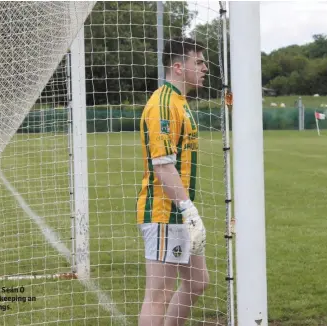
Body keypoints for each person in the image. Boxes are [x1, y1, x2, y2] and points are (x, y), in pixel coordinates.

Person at [137, 37, 209, 326]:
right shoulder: (164, 104)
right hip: (164, 212)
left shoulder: (180, 102)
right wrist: (188, 210)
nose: (205, 68)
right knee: (159, 294)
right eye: (199, 62)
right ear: (179, 67)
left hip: (178, 212)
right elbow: (163, 166)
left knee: (197, 282)